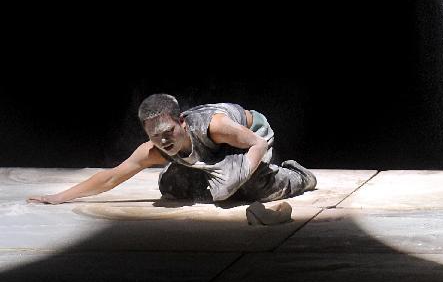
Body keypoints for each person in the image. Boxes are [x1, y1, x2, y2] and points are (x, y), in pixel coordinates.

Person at [27, 93, 316, 205]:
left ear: (182, 121)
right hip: (213, 156)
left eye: (168, 132)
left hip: (251, 136)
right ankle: (224, 180)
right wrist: (58, 197)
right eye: (155, 136)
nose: (163, 141)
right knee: (170, 185)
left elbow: (257, 143)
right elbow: (112, 177)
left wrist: (239, 177)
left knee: (241, 188)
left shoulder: (213, 126)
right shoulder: (154, 148)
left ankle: (296, 175)